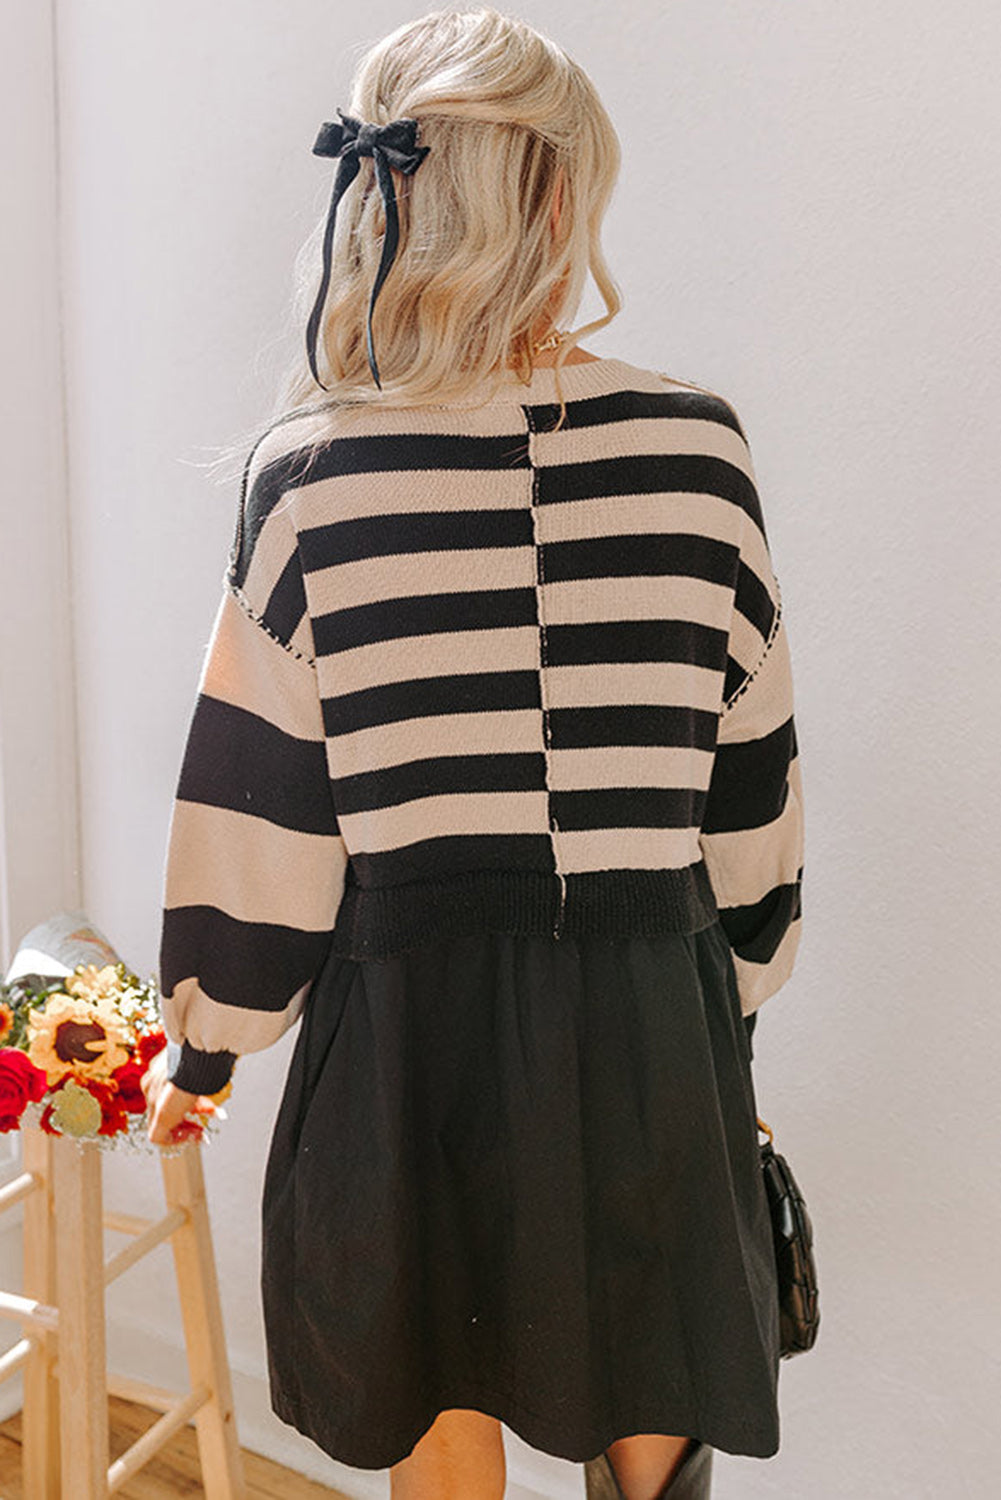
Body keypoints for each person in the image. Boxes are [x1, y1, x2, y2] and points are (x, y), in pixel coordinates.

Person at [144, 8, 805, 1500]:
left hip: (407, 1024)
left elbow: (261, 800)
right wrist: (742, 978)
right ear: (561, 196)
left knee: (432, 1375)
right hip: (650, 1003)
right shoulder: (699, 449)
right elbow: (749, 761)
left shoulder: (310, 474)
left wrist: (211, 1035)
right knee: (654, 1368)